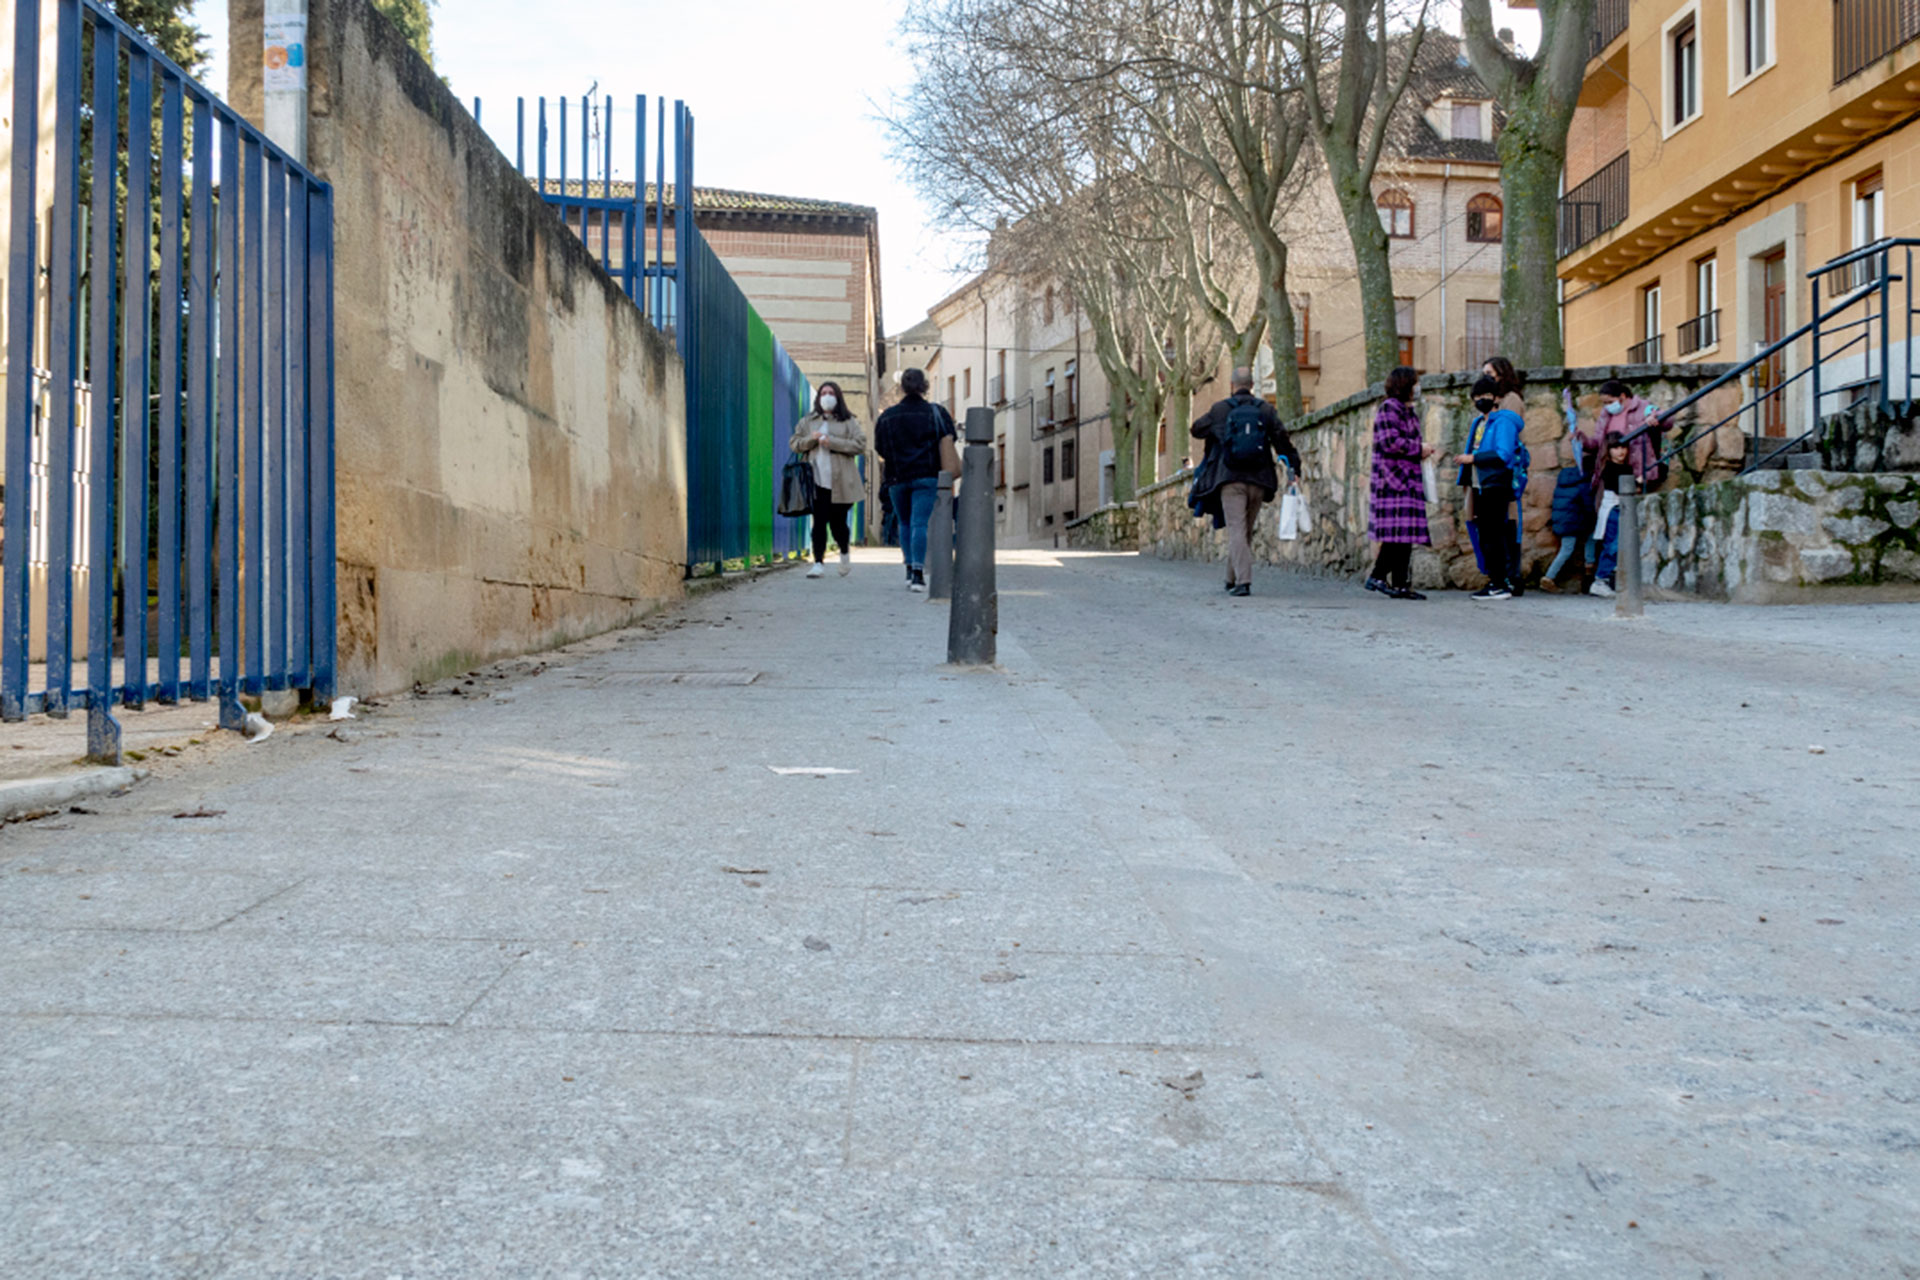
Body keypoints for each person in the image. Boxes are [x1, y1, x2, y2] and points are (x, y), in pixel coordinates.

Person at [1191, 366, 1302, 597]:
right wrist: (1295, 467)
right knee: (1245, 531)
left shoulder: (1220, 409)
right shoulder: (1265, 410)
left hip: (1230, 479)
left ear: (1232, 385)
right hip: (1259, 480)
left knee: (1236, 530)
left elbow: (1196, 429)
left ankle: (1243, 582)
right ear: (1252, 385)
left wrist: (1217, 430)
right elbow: (1282, 440)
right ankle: (1230, 578)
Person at [873, 368, 955, 592]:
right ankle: (918, 574)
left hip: (897, 477)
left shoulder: (887, 416)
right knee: (920, 523)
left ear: (901, 388)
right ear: (925, 386)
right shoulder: (936, 412)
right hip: (926, 476)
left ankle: (909, 569)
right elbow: (949, 438)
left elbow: (879, 447)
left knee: (904, 522)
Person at [1365, 365, 1435, 600]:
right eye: (1415, 383)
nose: (1418, 387)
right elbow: (1390, 442)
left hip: (1406, 479)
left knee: (1405, 533)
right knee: (1397, 533)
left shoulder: (1406, 410)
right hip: (1393, 480)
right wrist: (1418, 448)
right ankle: (1378, 575)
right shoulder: (1389, 408)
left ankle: (1400, 583)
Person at [790, 381, 868, 579]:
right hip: (816, 480)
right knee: (818, 522)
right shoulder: (808, 421)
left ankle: (844, 551)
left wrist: (831, 442)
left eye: (831, 393)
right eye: (823, 393)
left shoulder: (849, 421)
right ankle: (818, 562)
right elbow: (795, 443)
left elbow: (859, 444)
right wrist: (812, 439)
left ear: (837, 397)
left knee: (838, 523)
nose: (827, 396)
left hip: (841, 481)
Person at [1456, 374, 1524, 601]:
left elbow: (1504, 454)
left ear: (1496, 397)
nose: (1480, 400)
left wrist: (1473, 459)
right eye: (1476, 397)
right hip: (1479, 484)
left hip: (1495, 483)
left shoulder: (1504, 422)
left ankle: (1500, 583)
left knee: (1493, 534)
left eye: (1485, 395)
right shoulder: (1479, 423)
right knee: (1485, 534)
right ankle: (1495, 581)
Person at [1584, 432, 1636, 598]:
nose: (1620, 451)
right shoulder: (1608, 468)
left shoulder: (1627, 468)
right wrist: (1637, 483)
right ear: (1609, 450)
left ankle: (1608, 579)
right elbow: (1620, 488)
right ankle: (1600, 580)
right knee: (1613, 546)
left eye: (1623, 447)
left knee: (1619, 546)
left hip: (1623, 508)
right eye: (1616, 448)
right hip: (1613, 509)